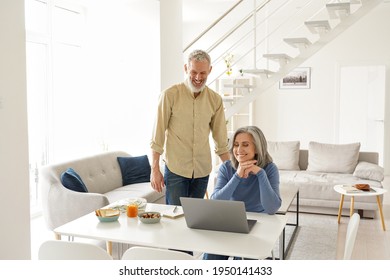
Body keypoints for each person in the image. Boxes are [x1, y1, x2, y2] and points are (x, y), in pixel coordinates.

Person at [150, 49, 230, 206]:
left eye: (203, 73)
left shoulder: (215, 100)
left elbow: (221, 141)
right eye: (193, 72)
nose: (198, 78)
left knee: (195, 221)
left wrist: (232, 172)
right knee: (175, 219)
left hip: (202, 170)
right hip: (176, 170)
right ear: (186, 68)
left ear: (210, 71)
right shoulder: (169, 95)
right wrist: (154, 169)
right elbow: (157, 136)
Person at [203, 126, 282, 260]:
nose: (239, 150)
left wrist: (260, 174)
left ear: (257, 148)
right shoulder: (226, 168)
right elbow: (215, 202)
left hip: (258, 222)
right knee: (211, 255)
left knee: (244, 257)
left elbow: (272, 208)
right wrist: (238, 175)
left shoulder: (269, 169)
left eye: (245, 145)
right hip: (230, 222)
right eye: (236, 145)